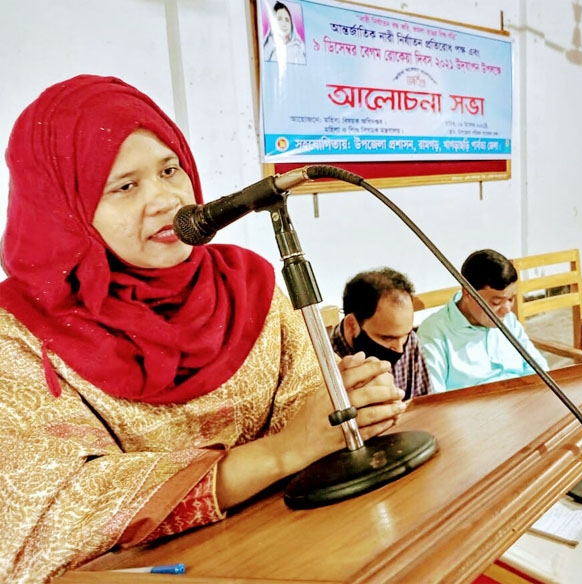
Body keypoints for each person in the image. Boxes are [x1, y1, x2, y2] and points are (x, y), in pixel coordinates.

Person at [0, 75, 405, 583]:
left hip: (303, 550)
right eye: (126, 186)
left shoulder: (248, 285)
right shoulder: (18, 338)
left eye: (171, 170)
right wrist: (279, 452)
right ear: (64, 209)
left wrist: (354, 403)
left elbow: (307, 408)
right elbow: (57, 510)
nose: (167, 199)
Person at [416, 249, 548, 392]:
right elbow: (434, 398)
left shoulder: (508, 320)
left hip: (521, 400)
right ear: (467, 293)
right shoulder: (435, 332)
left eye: (511, 299)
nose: (507, 309)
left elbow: (538, 368)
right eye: (496, 303)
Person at [329, 268, 432, 400]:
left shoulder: (410, 341)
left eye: (405, 335)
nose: (399, 348)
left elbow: (425, 402)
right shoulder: (323, 363)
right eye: (387, 338)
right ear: (351, 325)